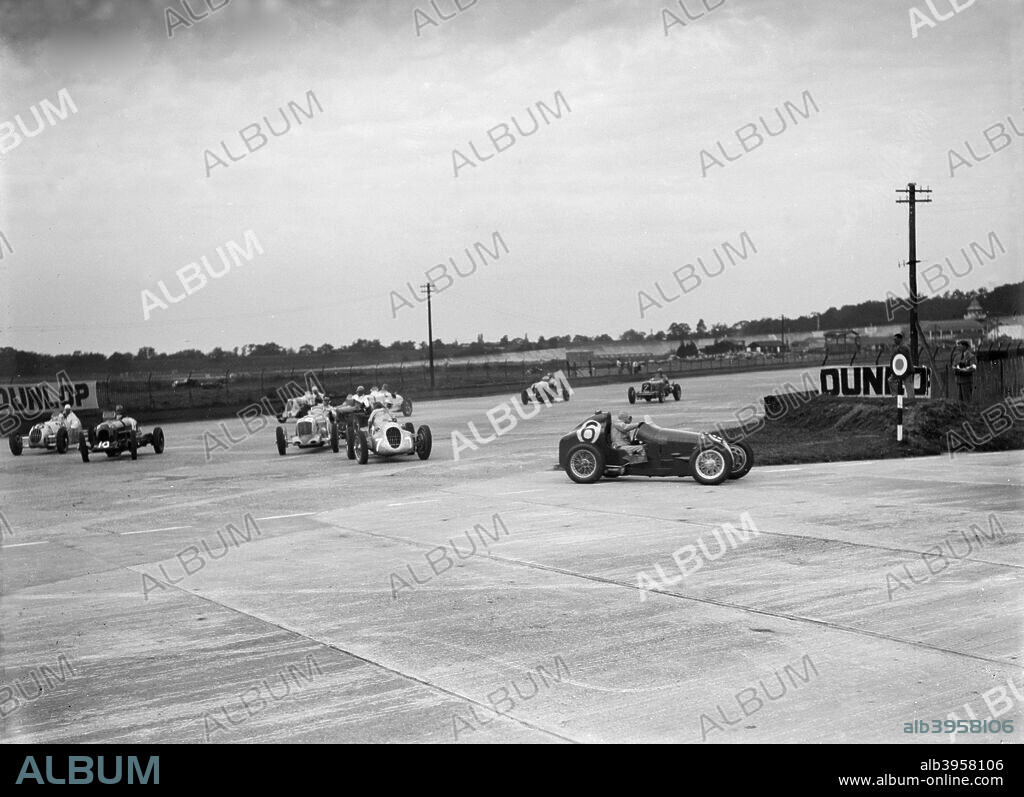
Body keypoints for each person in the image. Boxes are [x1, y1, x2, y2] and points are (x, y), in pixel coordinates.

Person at [953, 339, 977, 404]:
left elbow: (973, 367)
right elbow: (954, 366)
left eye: (960, 345)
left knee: (967, 399)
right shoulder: (957, 357)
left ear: (965, 346)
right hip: (958, 380)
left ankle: (968, 412)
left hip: (966, 381)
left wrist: (963, 369)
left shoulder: (971, 356)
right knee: (959, 400)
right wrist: (956, 368)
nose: (958, 347)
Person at [889, 333, 912, 397]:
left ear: (900, 339)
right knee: (891, 380)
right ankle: (895, 395)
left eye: (895, 339)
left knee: (908, 384)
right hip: (899, 369)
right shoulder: (898, 347)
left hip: (907, 369)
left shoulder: (904, 347)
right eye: (894, 339)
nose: (894, 341)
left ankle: (912, 399)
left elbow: (904, 358)